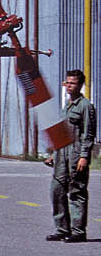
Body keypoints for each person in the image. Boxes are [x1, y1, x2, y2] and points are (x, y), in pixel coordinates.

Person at [44, 69, 95, 243]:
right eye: (67, 83)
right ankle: (61, 229)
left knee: (76, 191)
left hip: (75, 154)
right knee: (56, 191)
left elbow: (88, 134)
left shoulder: (85, 106)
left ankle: (78, 231)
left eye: (72, 83)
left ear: (80, 85)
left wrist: (84, 156)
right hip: (61, 155)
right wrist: (54, 154)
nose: (68, 86)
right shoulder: (67, 105)